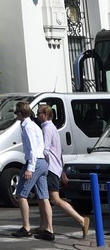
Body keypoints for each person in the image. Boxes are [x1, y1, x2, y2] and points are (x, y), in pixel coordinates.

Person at [37, 102, 89, 240]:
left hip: (50, 168)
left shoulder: (47, 129)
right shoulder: (52, 127)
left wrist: (39, 160)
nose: (37, 116)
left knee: (54, 199)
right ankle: (43, 226)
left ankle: (81, 220)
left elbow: (46, 150)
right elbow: (58, 151)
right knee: (43, 197)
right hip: (55, 167)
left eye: (39, 113)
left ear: (46, 115)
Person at [13, 99, 53, 239]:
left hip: (34, 162)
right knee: (43, 197)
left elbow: (32, 150)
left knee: (21, 195)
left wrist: (29, 168)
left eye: (16, 112)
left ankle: (26, 227)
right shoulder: (34, 125)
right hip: (42, 162)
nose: (15, 114)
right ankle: (49, 229)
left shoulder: (28, 127)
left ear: (21, 112)